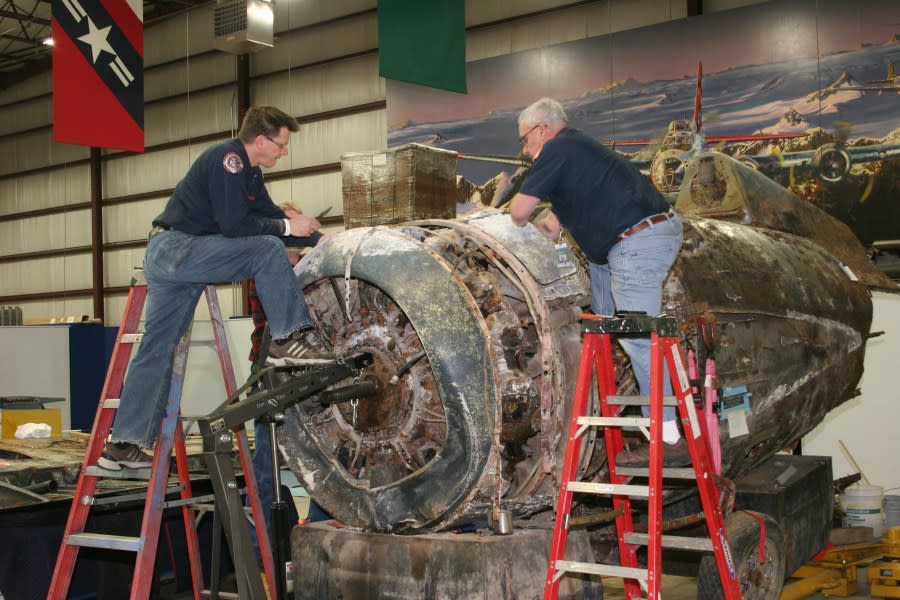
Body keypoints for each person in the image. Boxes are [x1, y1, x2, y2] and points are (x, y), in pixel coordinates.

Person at [98, 106, 334, 470]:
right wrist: (288, 230)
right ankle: (291, 337)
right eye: (282, 145)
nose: (284, 153)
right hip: (179, 250)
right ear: (260, 140)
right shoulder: (230, 160)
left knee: (158, 348)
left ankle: (125, 444)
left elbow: (272, 215)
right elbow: (237, 226)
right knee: (267, 248)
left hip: (175, 257)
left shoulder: (250, 173)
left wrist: (326, 242)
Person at [508, 97, 687, 467]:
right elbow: (551, 223)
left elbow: (519, 212)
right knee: (602, 321)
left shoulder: (557, 148)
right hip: (625, 243)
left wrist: (509, 209)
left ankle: (669, 436)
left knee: (637, 335)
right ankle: (602, 361)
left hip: (637, 241)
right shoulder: (577, 149)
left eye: (525, 140)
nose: (526, 150)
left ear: (543, 130)